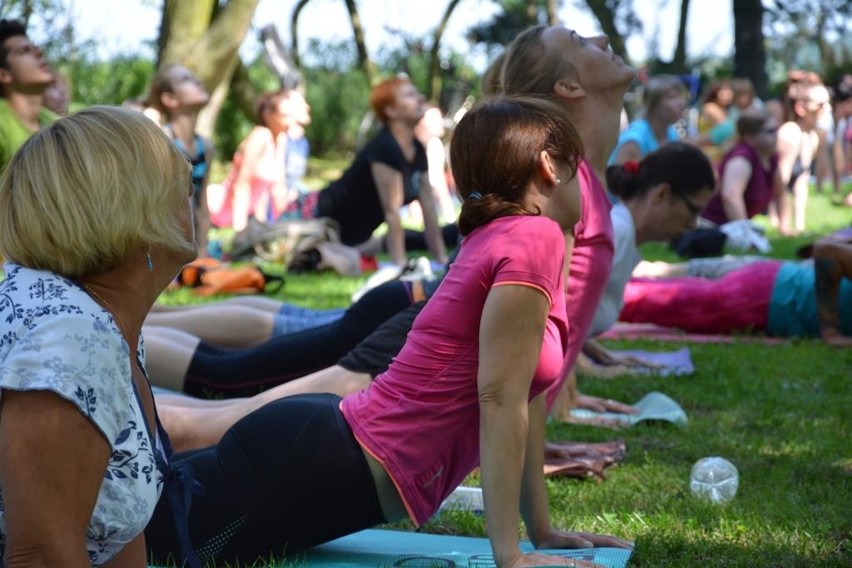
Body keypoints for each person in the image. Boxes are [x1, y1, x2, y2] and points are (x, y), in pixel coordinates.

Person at [145, 96, 631, 567]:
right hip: (318, 460)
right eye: (581, 168)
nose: (588, 189)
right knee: (115, 526)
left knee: (126, 515)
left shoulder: (510, 234)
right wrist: (511, 556)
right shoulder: (532, 236)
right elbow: (499, 400)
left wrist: (540, 530)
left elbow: (521, 400)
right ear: (550, 165)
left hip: (325, 453)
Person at [0, 106, 198, 565]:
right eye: (178, 180)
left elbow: (114, 530)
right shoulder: (69, 339)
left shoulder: (102, 315)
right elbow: (41, 557)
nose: (189, 189)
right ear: (132, 205)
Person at [500, 24, 639, 418]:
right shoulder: (558, 182)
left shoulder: (579, 178)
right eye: (581, 42)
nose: (602, 40)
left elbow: (555, 322)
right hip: (391, 362)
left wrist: (566, 396)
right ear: (569, 87)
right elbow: (526, 339)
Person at [583, 142, 716, 364]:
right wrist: (588, 371)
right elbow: (552, 316)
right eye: (692, 211)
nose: (693, 225)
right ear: (662, 194)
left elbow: (575, 318)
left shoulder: (623, 233)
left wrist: (596, 354)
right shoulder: (618, 233)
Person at [298, 76, 453, 266]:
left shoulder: (417, 149)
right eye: (410, 95)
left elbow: (428, 207)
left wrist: (443, 260)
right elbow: (392, 212)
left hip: (347, 238)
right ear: (391, 110)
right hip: (312, 216)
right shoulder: (385, 147)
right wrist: (399, 264)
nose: (421, 98)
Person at [620, 236, 852, 346]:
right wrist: (829, 330)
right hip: (766, 297)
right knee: (635, 302)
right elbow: (826, 251)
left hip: (766, 288)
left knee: (648, 293)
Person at [149, 63, 214, 256]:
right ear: (170, 99)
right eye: (187, 80)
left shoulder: (206, 146)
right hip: (166, 244)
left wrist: (201, 251)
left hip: (192, 244)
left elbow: (203, 206)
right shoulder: (162, 142)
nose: (199, 82)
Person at [210, 88, 296, 231]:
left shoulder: (280, 140)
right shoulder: (260, 137)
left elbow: (266, 191)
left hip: (241, 215)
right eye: (285, 115)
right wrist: (241, 231)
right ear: (268, 115)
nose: (291, 121)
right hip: (219, 210)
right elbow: (241, 186)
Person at [699, 108, 791, 233]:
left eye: (777, 129)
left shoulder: (771, 157)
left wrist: (784, 228)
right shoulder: (741, 158)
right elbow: (731, 196)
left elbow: (780, 193)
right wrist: (746, 234)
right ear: (750, 138)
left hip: (729, 227)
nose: (776, 135)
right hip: (710, 225)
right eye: (770, 131)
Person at [0, 18, 57, 171]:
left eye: (35, 48)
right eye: (24, 51)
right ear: (4, 75)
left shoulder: (58, 124)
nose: (39, 52)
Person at [778, 72, 830, 234]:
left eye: (828, 103)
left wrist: (799, 226)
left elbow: (801, 180)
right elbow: (779, 182)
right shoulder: (790, 133)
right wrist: (783, 226)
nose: (826, 109)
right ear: (800, 108)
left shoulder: (812, 136)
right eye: (820, 104)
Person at [608, 74, 686, 165]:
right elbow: (621, 178)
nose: (681, 103)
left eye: (680, 97)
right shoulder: (634, 140)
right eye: (672, 97)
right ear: (653, 105)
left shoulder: (670, 132)